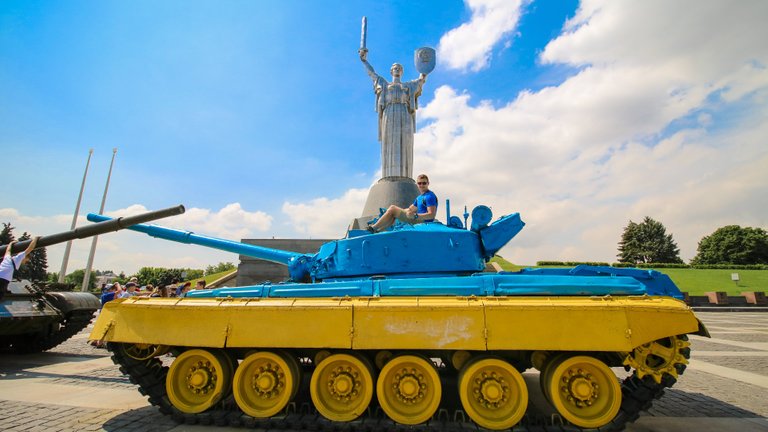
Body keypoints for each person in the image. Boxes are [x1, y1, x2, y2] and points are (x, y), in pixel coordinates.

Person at [360, 48, 428, 178]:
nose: (397, 69)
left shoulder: (408, 86)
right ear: (391, 71)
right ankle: (388, 176)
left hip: (404, 114)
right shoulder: (385, 85)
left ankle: (405, 176)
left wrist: (424, 70)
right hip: (389, 114)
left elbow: (420, 81)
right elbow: (372, 74)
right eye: (395, 68)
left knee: (405, 143)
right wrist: (364, 61)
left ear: (402, 72)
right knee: (389, 144)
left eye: (399, 68)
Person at [368, 174, 437, 233]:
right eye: (419, 183)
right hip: (418, 219)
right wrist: (401, 212)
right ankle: (379, 230)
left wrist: (415, 216)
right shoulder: (419, 197)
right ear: (417, 184)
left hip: (423, 223)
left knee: (392, 208)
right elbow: (411, 208)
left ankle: (373, 228)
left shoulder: (429, 196)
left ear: (428, 183)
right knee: (394, 212)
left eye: (424, 183)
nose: (421, 185)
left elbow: (431, 215)